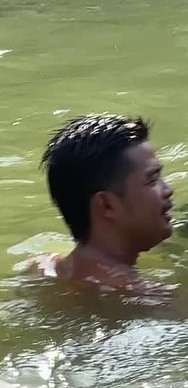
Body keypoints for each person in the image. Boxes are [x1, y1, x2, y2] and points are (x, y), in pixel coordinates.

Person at [32, 114, 174, 292]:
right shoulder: (153, 300)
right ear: (107, 205)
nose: (168, 189)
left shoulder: (41, 269)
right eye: (152, 180)